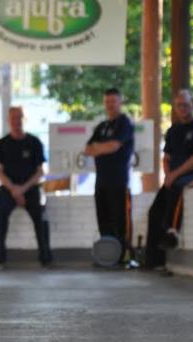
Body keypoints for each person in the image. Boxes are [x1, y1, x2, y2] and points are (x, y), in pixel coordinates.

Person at [144, 89, 193, 270]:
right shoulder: (173, 130)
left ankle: (172, 232)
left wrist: (175, 175)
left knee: (177, 195)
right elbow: (166, 158)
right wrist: (168, 175)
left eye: (186, 105)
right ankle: (153, 260)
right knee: (154, 211)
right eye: (179, 105)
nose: (182, 108)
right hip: (172, 178)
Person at [0, 106, 53, 269]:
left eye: (19, 118)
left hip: (31, 188)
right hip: (8, 188)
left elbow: (41, 171)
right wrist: (13, 189)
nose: (16, 121)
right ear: (8, 120)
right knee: (1, 217)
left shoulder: (34, 142)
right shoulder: (1, 144)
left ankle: (45, 257)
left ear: (24, 120)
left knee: (40, 217)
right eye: (13, 118)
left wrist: (23, 189)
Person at [83, 87, 135, 263]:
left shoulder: (124, 123)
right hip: (101, 181)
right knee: (103, 219)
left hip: (118, 181)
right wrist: (103, 148)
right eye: (107, 102)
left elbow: (114, 146)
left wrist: (101, 148)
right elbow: (88, 149)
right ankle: (108, 257)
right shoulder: (102, 126)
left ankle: (122, 257)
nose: (110, 105)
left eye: (113, 101)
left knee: (119, 220)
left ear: (120, 102)